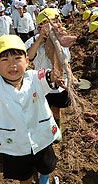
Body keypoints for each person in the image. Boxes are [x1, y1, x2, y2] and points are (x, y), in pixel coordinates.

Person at [0, 34, 65, 184]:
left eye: (17, 58)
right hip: (14, 144)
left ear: (27, 60)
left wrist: (58, 47)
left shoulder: (35, 77)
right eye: (4, 60)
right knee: (23, 176)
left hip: (41, 136)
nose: (12, 65)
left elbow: (55, 75)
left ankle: (44, 179)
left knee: (46, 165)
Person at [25, 8, 75, 142]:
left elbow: (66, 61)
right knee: (42, 108)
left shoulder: (62, 41)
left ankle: (56, 129)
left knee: (56, 109)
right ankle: (45, 128)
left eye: (56, 22)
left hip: (59, 82)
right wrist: (41, 39)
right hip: (41, 82)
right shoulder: (32, 41)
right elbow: (28, 57)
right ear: (40, 26)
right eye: (49, 23)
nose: (54, 25)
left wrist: (70, 76)